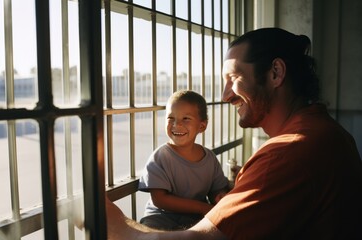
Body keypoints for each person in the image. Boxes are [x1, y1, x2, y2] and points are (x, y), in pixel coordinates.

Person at [105, 27, 362, 239]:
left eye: (234, 77)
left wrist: (114, 223)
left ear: (276, 73)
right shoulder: (328, 133)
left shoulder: (288, 154)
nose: (225, 95)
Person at [138, 90, 229, 230]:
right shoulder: (160, 157)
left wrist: (219, 196)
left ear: (202, 126)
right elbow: (160, 199)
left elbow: (215, 190)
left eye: (186, 119)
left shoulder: (209, 158)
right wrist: (202, 207)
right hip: (161, 217)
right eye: (171, 118)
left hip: (197, 217)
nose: (177, 124)